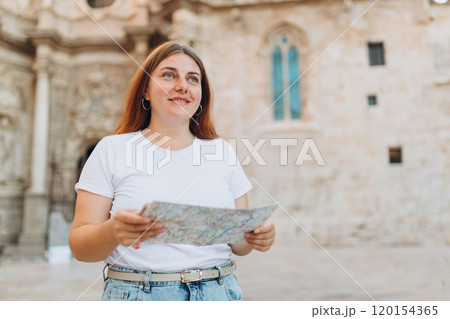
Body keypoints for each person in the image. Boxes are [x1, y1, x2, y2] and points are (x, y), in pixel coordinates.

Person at [68, 41, 276, 301]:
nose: (183, 85)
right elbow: (79, 246)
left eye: (193, 79)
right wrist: (112, 231)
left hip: (218, 293)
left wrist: (256, 237)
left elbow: (238, 245)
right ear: (145, 90)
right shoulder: (112, 149)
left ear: (201, 95)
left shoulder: (222, 152)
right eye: (169, 75)